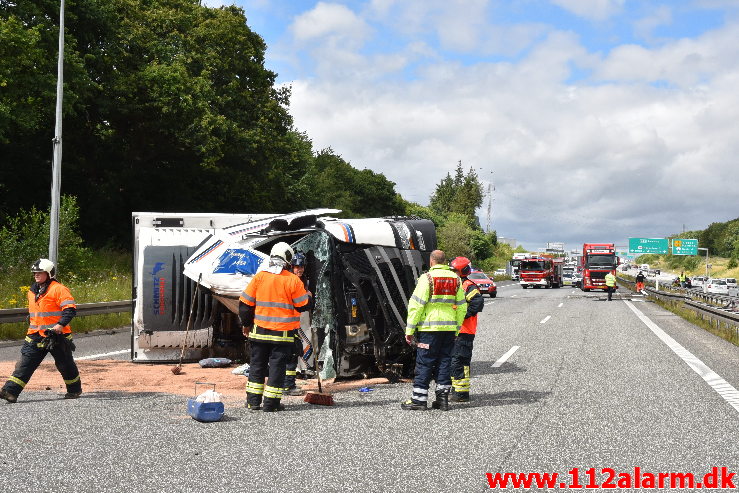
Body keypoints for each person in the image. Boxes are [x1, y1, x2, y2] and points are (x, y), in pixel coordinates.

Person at [239, 242, 312, 412]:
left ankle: (253, 403)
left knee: (256, 367)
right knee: (277, 368)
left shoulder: (259, 277)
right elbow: (303, 306)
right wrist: (308, 297)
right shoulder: (293, 280)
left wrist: (246, 325)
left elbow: (245, 304)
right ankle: (271, 404)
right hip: (282, 336)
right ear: (288, 259)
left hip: (259, 333)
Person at [0, 259, 82, 403]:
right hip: (35, 336)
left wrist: (60, 325)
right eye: (35, 273)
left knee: (65, 365)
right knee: (25, 364)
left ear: (49, 273)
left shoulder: (59, 289)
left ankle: (74, 390)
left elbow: (70, 310)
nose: (36, 275)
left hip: (57, 336)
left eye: (40, 272)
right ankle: (10, 392)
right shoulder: (32, 291)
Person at [401, 250, 466, 411]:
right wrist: (456, 329)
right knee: (445, 361)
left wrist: (409, 329)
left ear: (431, 262)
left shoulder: (427, 278)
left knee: (425, 362)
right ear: (445, 262)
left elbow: (416, 305)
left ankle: (419, 400)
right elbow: (462, 307)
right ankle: (442, 400)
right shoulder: (456, 279)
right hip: (449, 328)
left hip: (429, 329)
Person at [448, 257, 484, 403]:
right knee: (453, 360)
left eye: (454, 270)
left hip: (464, 331)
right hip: (454, 331)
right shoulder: (455, 284)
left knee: (460, 361)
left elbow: (477, 304)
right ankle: (455, 389)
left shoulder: (468, 286)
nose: (452, 273)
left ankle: (461, 393)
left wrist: (461, 316)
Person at [283, 252, 313, 396]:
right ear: (291, 266)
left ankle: (290, 381)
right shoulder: (288, 280)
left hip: (298, 321)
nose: (299, 269)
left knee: (296, 351)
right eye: (296, 266)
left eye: (301, 266)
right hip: (288, 323)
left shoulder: (304, 280)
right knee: (289, 353)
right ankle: (287, 384)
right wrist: (307, 297)